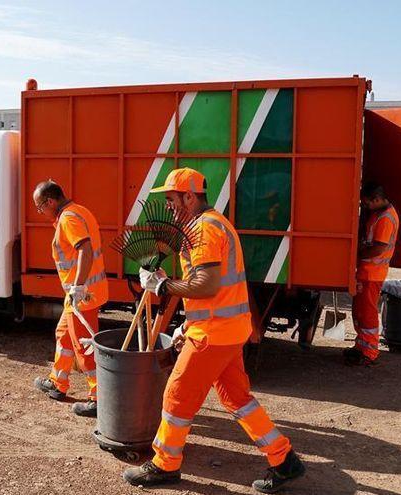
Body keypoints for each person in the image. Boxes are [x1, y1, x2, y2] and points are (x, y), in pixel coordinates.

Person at [121, 168, 305, 493]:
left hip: (213, 335)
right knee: (238, 398)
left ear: (189, 197)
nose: (168, 207)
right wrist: (187, 324)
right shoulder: (214, 225)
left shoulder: (204, 229)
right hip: (225, 330)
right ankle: (283, 459)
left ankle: (165, 464)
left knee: (176, 396)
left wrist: (163, 285)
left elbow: (206, 285)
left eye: (171, 199)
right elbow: (215, 291)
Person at [31, 180, 109, 417]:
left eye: (40, 207)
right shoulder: (79, 211)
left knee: (83, 347)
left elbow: (84, 248)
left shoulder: (68, 219)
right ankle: (58, 383)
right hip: (84, 293)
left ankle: (98, 398)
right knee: (64, 336)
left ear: (51, 201)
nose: (40, 212)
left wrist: (78, 286)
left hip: (82, 295)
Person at [345, 181, 400, 366]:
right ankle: (361, 346)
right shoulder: (379, 213)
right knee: (360, 311)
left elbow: (378, 248)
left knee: (367, 313)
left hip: (372, 274)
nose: (365, 206)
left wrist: (356, 254)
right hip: (368, 273)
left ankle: (369, 351)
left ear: (377, 199)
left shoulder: (385, 218)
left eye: (367, 202)